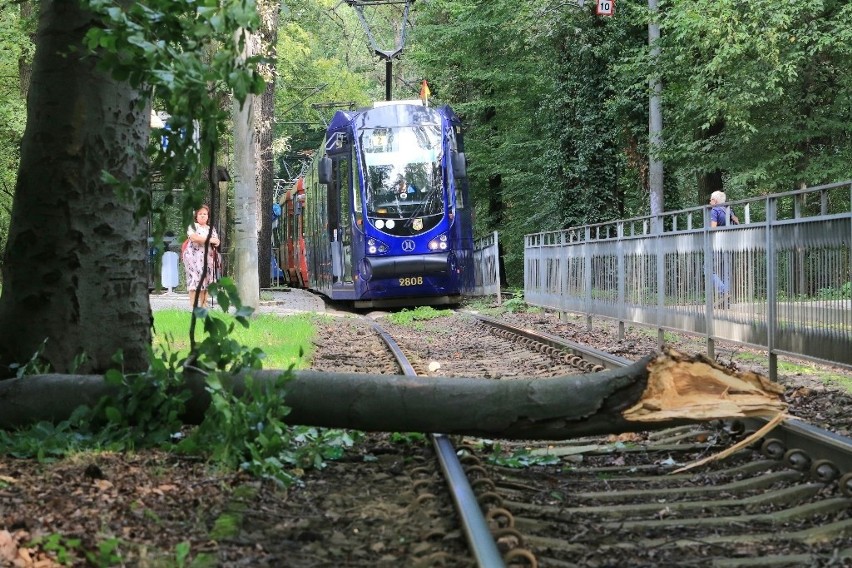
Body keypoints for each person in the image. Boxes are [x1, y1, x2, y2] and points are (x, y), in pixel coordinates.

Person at [182, 205, 220, 308]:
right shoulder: (193, 226)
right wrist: (210, 240)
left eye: (205, 214)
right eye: (200, 214)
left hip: (207, 258)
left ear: (208, 216)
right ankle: (193, 306)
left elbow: (216, 241)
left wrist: (214, 241)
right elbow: (194, 238)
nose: (203, 216)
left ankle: (204, 305)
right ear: (196, 216)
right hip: (193, 258)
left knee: (206, 280)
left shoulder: (211, 228)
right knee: (194, 280)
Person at [708, 191, 736, 307]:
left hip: (718, 244)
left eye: (711, 200)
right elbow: (737, 221)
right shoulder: (729, 210)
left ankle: (724, 292)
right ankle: (726, 302)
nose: (710, 202)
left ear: (715, 200)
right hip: (729, 243)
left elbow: (713, 228)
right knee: (726, 272)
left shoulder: (715, 210)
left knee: (708, 270)